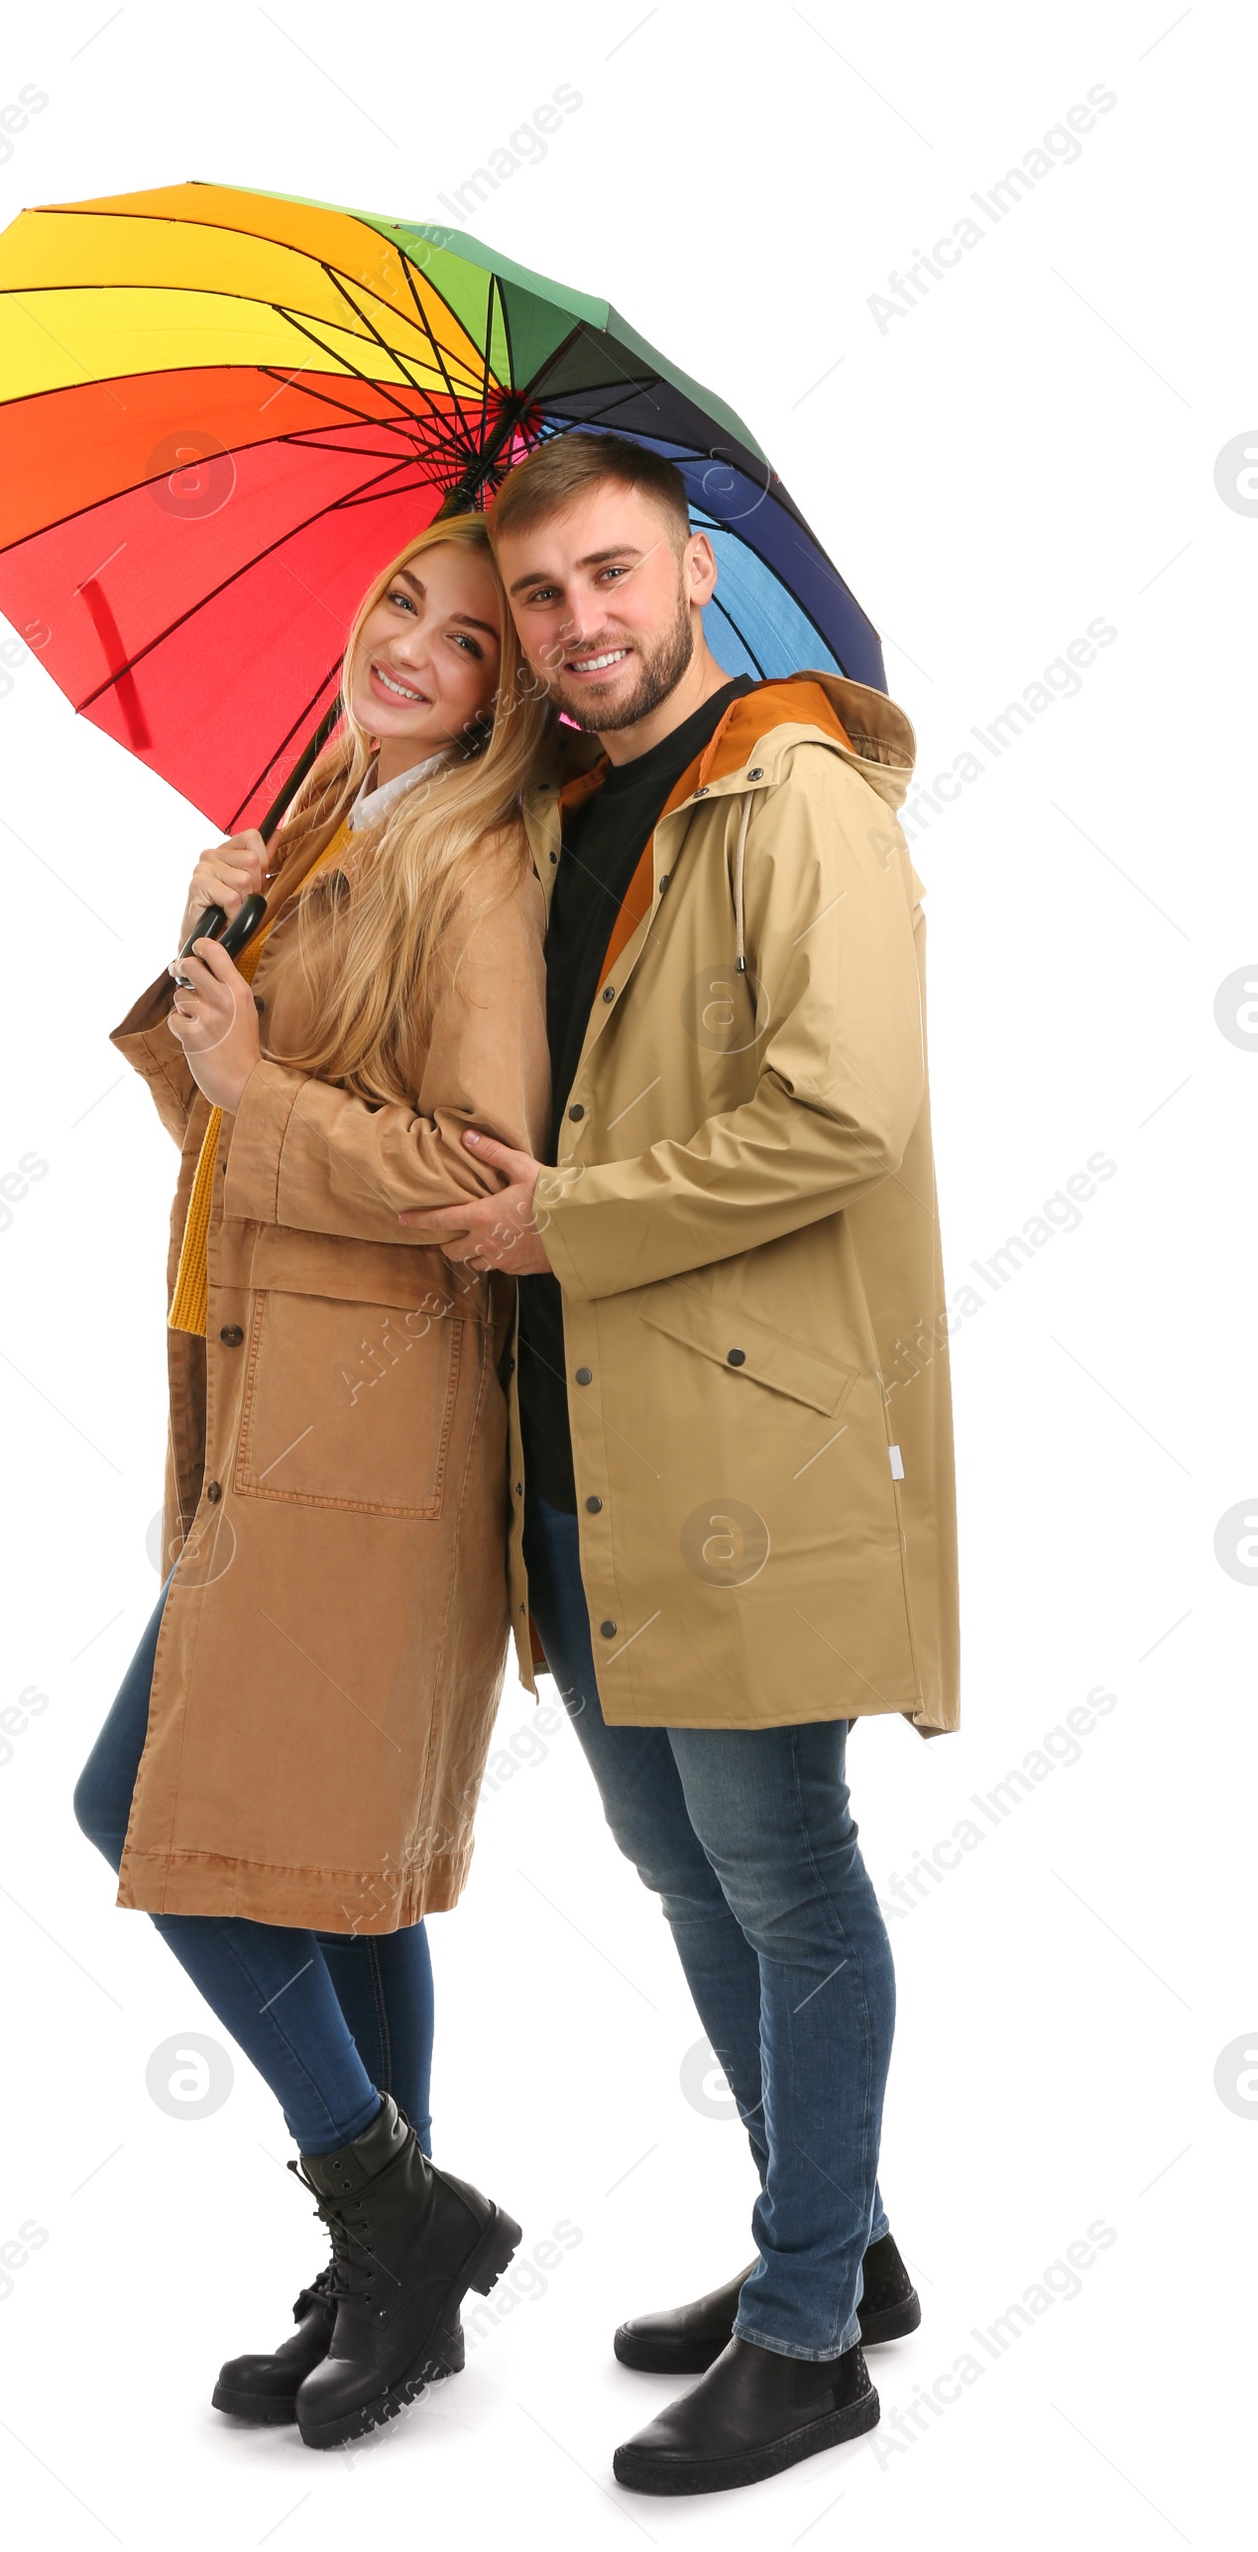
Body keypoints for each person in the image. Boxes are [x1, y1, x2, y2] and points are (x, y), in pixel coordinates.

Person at [406, 431, 958, 2496]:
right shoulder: (547, 813)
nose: (576, 627)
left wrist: (572, 1219)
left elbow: (844, 1113)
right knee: (674, 1863)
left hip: (740, 1435)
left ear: (693, 574)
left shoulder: (791, 794)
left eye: (609, 577)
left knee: (784, 1872)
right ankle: (839, 2238)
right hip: (577, 1439)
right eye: (536, 598)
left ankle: (807, 2331)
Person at [73, 515, 551, 2450]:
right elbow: (227, 1120)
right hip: (271, 1398)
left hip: (378, 1423)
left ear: (508, 692)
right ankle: (393, 2288)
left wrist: (264, 1087)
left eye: (461, 635)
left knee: (143, 1805)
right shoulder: (332, 831)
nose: (409, 648)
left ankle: (388, 2203)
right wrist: (207, 943)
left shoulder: (478, 861)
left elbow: (481, 1177)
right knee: (344, 1872)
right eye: (394, 607)